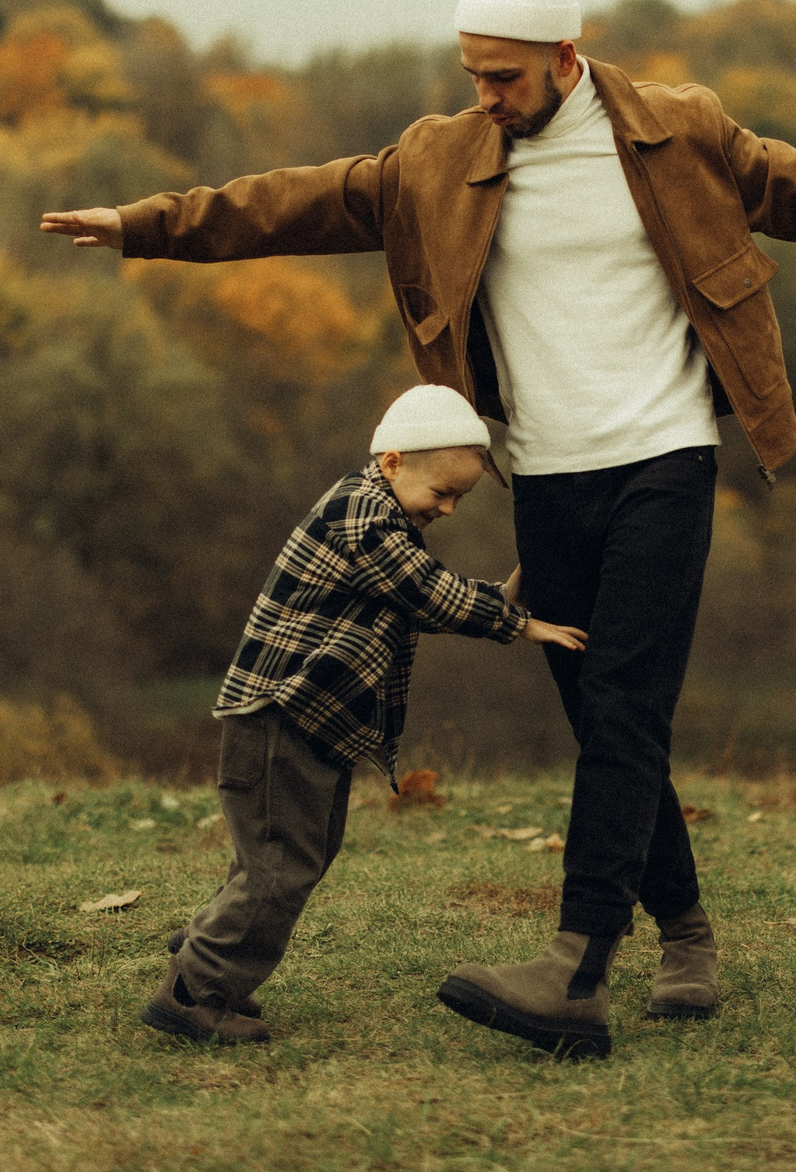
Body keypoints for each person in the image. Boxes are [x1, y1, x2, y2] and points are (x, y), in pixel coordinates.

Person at [47, 0, 796, 1058]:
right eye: (473, 74)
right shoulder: (439, 159)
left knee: (627, 710)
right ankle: (684, 934)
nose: (484, 95)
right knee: (601, 720)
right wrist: (144, 225)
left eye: (503, 78)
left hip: (663, 460)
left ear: (565, 60)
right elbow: (293, 201)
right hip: (546, 477)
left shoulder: (679, 130)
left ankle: (575, 971)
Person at [142, 384, 589, 1046]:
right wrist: (520, 624)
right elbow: (427, 591)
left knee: (297, 856)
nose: (448, 507)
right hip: (277, 718)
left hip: (307, 726)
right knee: (278, 867)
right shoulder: (361, 511)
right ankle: (193, 990)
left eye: (460, 498)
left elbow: (426, 593)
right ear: (391, 463)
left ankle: (211, 960)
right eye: (441, 491)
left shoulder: (387, 524)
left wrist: (520, 582)